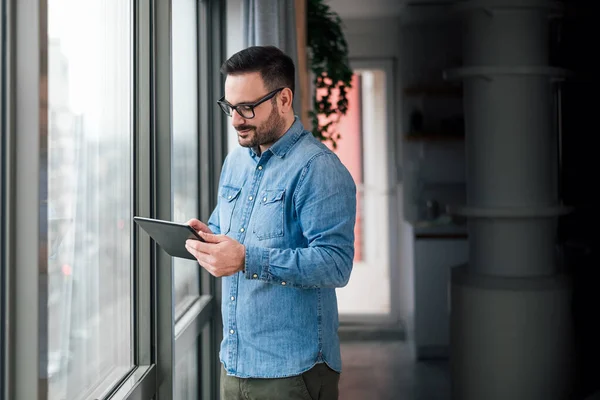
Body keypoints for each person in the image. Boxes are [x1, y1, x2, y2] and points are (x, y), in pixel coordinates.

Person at [185, 45, 357, 400]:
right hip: (234, 365)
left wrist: (248, 259)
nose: (235, 120)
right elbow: (227, 231)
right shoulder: (235, 162)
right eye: (230, 108)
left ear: (284, 99)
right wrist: (207, 238)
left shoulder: (318, 168)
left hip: (293, 373)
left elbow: (336, 264)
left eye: (247, 108)